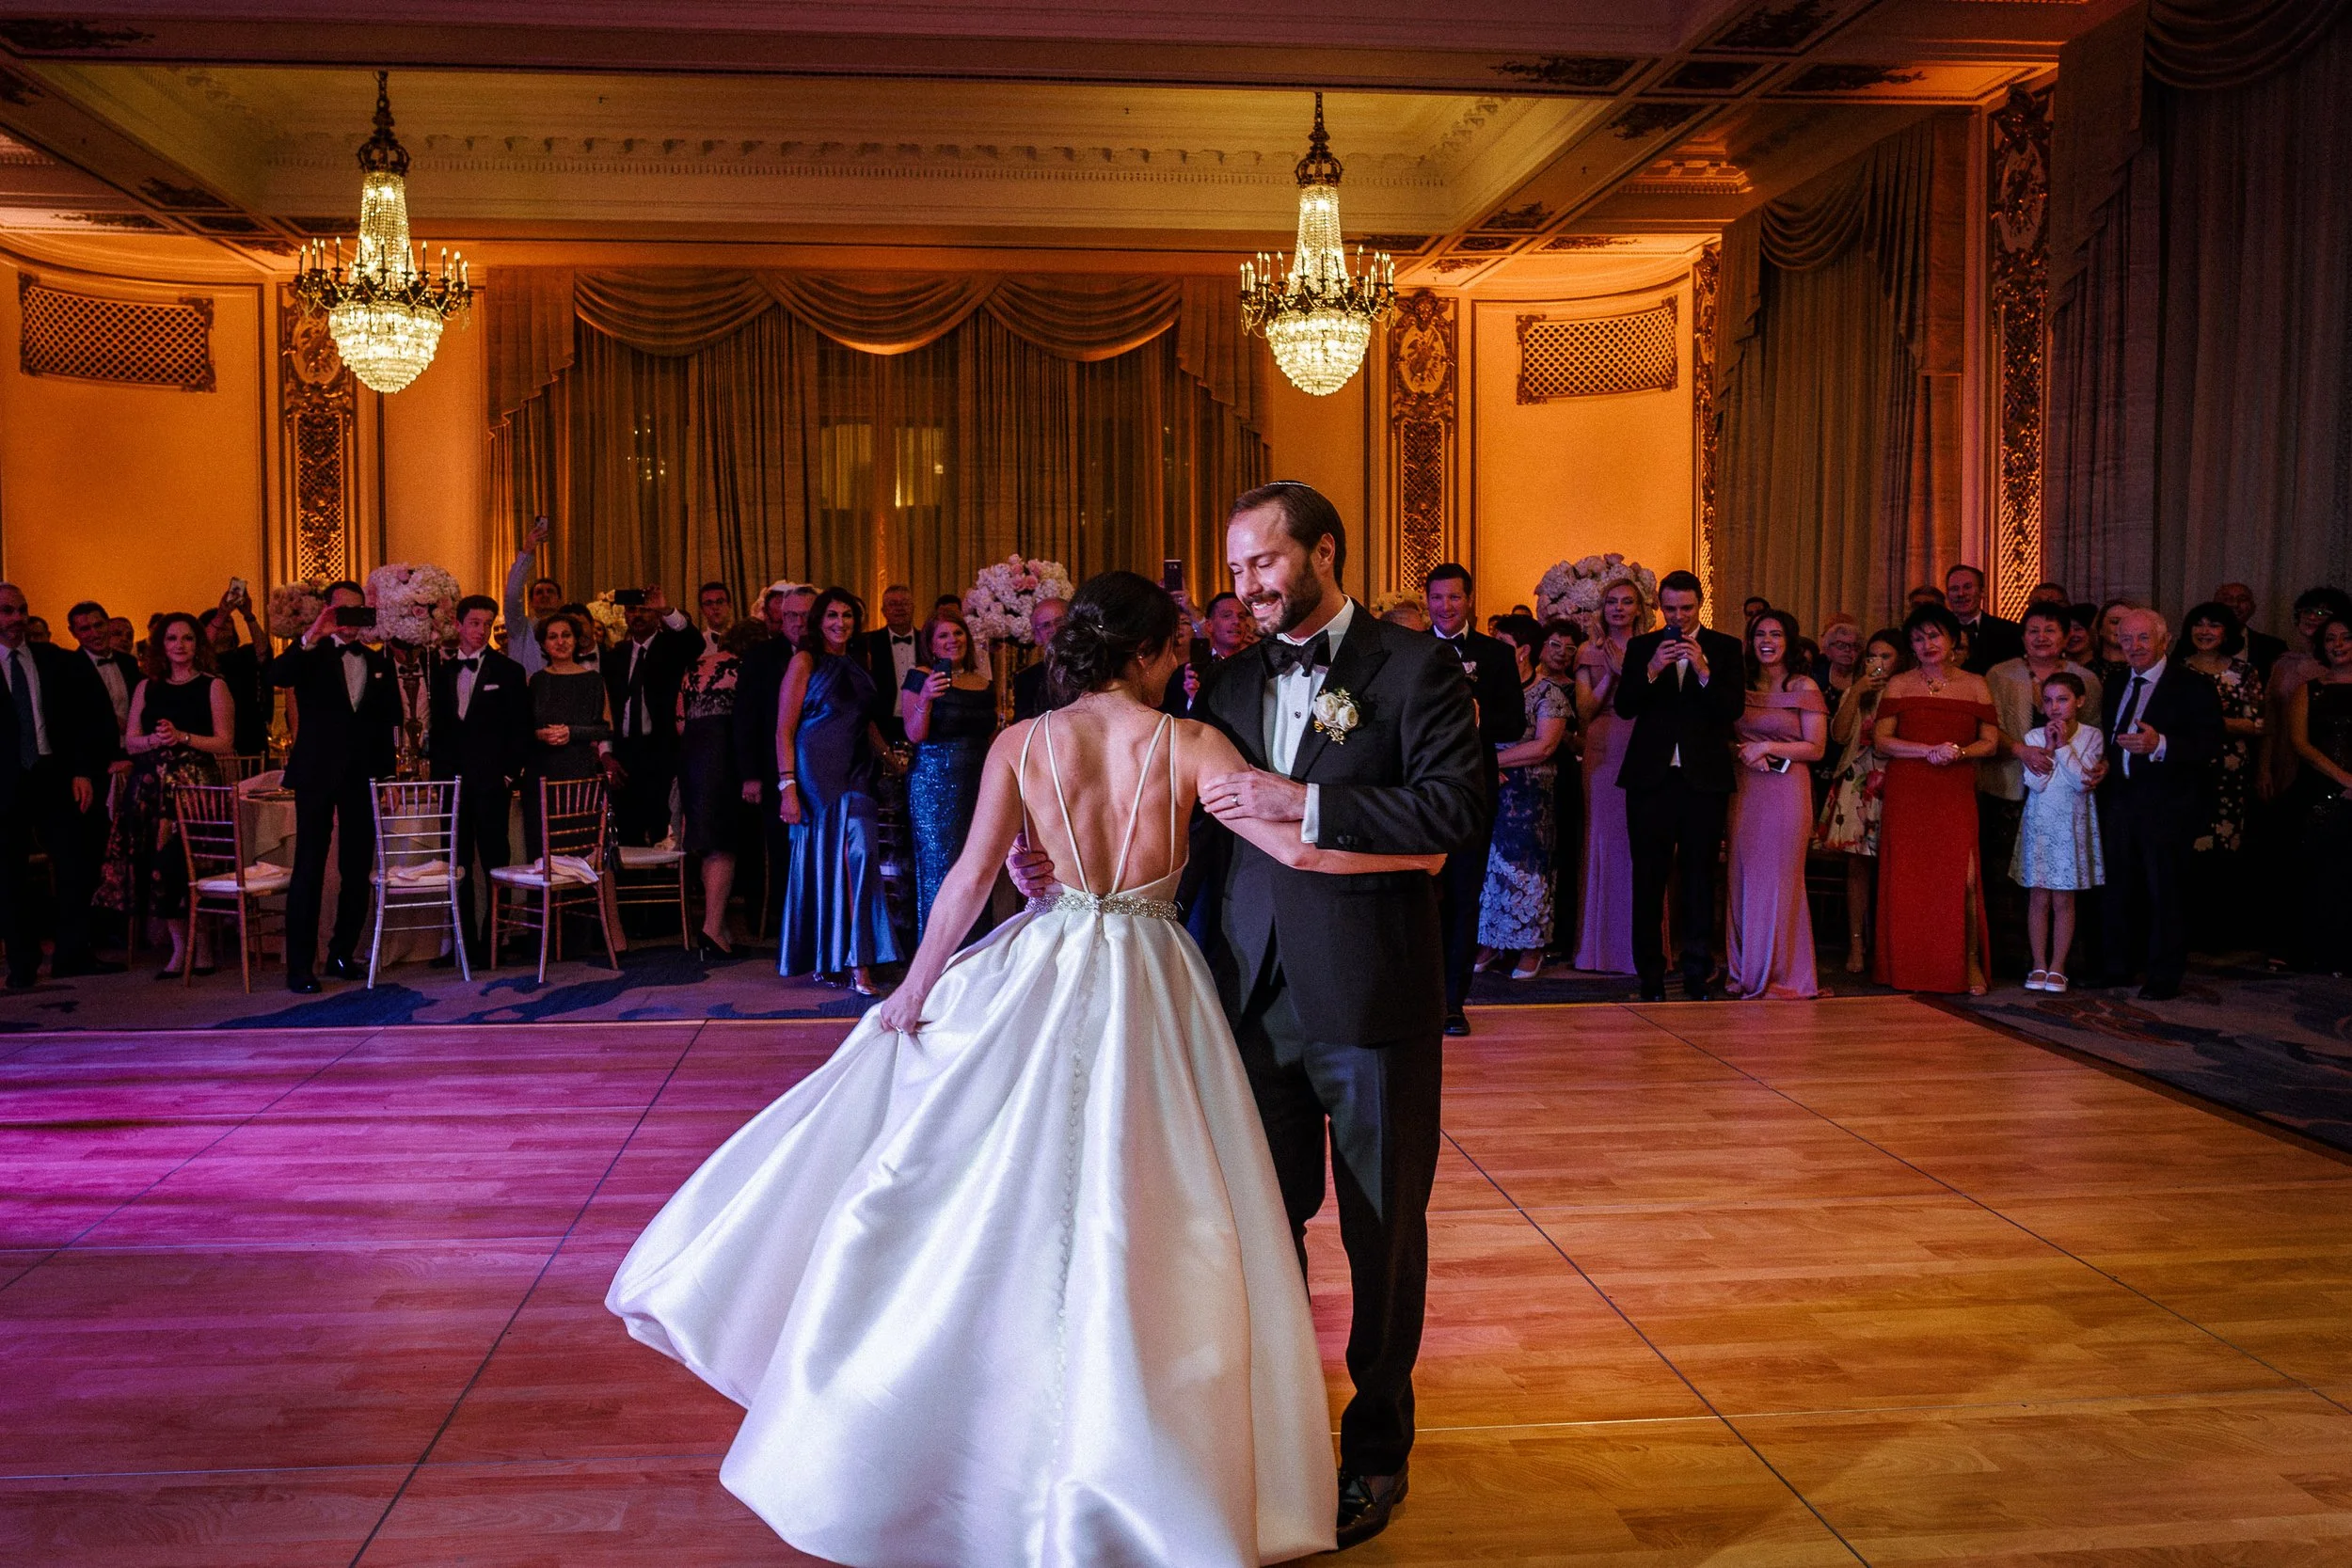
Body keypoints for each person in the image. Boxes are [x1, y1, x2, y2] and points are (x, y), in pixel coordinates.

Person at [611, 569, 1453, 1564]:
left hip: (1045, 957)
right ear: (1147, 654)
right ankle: (1139, 1430)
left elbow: (969, 878)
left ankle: (984, 1426)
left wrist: (912, 991)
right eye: (1173, 648)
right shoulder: (1187, 743)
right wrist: (1413, 854)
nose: (1182, 660)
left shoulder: (1022, 742)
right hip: (1151, 967)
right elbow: (1294, 848)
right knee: (1145, 1199)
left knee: (1004, 1186)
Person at [1614, 570, 1744, 1002]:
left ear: (1700, 604)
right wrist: (1651, 670)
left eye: (1686, 609)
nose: (1679, 617)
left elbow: (1731, 710)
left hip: (1703, 781)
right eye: (1670, 609)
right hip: (1650, 780)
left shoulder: (1725, 648)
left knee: (1699, 878)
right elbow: (1625, 707)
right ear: (1659, 608)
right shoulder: (1641, 647)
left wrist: (1704, 670)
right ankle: (1649, 977)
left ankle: (1696, 973)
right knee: (1648, 879)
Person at [268, 582, 403, 994]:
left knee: (357, 869)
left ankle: (343, 951)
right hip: (316, 774)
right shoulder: (310, 653)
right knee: (308, 867)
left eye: (359, 612)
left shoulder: (378, 661)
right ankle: (300, 966)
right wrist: (313, 634)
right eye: (342, 612)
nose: (351, 621)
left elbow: (386, 724)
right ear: (328, 611)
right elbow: (277, 674)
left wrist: (388, 778)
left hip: (362, 776)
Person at [91, 611, 233, 978]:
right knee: (154, 869)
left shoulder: (213, 685)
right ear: (161, 645)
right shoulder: (146, 687)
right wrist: (156, 740)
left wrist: (183, 736)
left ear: (198, 644)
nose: (179, 646)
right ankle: (180, 947)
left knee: (183, 866)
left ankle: (201, 947)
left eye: (187, 639)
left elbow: (224, 742)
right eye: (172, 639)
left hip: (195, 790)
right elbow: (132, 741)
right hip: (151, 789)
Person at [2094, 608, 2224, 1000]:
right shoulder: (2116, 683)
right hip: (2119, 801)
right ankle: (2116, 967)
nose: (2133, 647)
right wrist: (2104, 767)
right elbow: (2109, 738)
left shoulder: (2192, 686)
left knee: (2164, 892)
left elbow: (2209, 745)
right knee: (2117, 887)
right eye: (2126, 638)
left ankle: (2163, 976)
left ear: (2164, 640)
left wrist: (2160, 745)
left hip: (2168, 805)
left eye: (2142, 638)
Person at [774, 588, 899, 993]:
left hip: (859, 770)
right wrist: (788, 786)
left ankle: (856, 957)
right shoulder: (804, 660)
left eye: (847, 615)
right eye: (831, 615)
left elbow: (864, 721)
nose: (839, 623)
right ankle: (847, 962)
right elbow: (784, 729)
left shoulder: (858, 660)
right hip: (816, 775)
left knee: (861, 857)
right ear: (817, 620)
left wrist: (889, 757)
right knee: (832, 861)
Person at [1871, 605, 1999, 994]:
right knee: (1909, 879)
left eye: (1933, 635)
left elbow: (1991, 743)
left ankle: (1969, 963)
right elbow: (1882, 739)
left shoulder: (1976, 683)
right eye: (1917, 638)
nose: (1926, 644)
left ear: (1952, 638)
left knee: (1964, 879)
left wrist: (1958, 752)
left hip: (1954, 787)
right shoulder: (1899, 684)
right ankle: (1907, 966)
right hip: (1910, 788)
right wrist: (1926, 750)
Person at [0, 583, 119, 987]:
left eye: (21, 610)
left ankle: (72, 952)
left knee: (75, 862)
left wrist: (82, 770)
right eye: (6, 611)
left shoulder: (53, 660)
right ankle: (22, 962)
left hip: (54, 773)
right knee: (9, 872)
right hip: (6, 779)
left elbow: (86, 718)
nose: (16, 618)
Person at [1426, 562, 1524, 1033]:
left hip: (1472, 792)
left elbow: (1514, 725)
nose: (1445, 607)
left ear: (1469, 600)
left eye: (1454, 598)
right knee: (1421, 897)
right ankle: (1416, 998)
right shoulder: (1410, 650)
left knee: (1466, 896)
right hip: (1418, 793)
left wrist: (1479, 715)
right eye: (1437, 598)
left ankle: (1451, 1003)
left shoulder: (1495, 655)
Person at [1982, 604, 2105, 975]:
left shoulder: (2087, 678)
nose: (2041, 637)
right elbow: (1988, 726)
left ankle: (2060, 964)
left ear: (2067, 636)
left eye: (2050, 630)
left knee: (2063, 884)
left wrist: (2101, 764)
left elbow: (2096, 732)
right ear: (2023, 637)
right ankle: (2016, 960)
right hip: (2009, 780)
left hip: (2067, 796)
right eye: (2033, 630)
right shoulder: (2000, 674)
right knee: (2014, 875)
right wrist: (2021, 750)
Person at [1722, 610, 1828, 999]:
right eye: (1759, 634)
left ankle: (1780, 972)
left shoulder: (1804, 686)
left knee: (1780, 880)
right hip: (1745, 788)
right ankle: (1745, 970)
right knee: (1742, 876)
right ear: (1749, 641)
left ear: (1790, 641)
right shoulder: (1739, 685)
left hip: (1786, 790)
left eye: (1776, 634)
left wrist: (1768, 746)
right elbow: (1723, 738)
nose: (1767, 641)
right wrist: (1741, 750)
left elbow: (1816, 747)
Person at [426, 595, 529, 970]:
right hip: (452, 785)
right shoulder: (441, 672)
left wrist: (507, 774)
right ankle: (462, 943)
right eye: (474, 623)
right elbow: (438, 732)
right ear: (458, 624)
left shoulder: (509, 671)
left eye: (487, 623)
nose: (481, 630)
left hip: (491, 783)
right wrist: (440, 780)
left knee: (494, 862)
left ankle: (493, 941)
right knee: (457, 865)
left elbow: (520, 731)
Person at [1475, 613, 1569, 980]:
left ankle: (1531, 946)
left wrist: (1489, 760)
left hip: (1531, 793)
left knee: (1529, 869)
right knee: (1489, 867)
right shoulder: (1491, 689)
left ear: (1523, 651)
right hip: (1488, 788)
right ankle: (1491, 940)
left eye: (1502, 644)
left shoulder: (1549, 693)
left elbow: (1544, 746)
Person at [901, 607, 996, 947]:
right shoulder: (920, 675)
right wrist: (926, 696)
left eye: (957, 633)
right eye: (943, 635)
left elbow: (990, 736)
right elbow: (914, 734)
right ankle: (938, 961)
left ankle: (976, 956)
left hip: (980, 784)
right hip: (934, 785)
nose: (952, 640)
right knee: (940, 871)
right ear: (931, 643)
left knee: (978, 868)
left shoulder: (984, 681)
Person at [1817, 627, 1901, 974]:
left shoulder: (1906, 689)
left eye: (1886, 656)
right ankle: (1855, 944)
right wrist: (1857, 692)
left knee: (1895, 865)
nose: (1878, 663)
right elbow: (1837, 735)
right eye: (1873, 656)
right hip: (1858, 779)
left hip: (1894, 780)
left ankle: (1889, 942)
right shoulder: (1859, 688)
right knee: (1857, 867)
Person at [2179, 601, 2265, 940]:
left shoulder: (2245, 672)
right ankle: (2188, 930)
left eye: (2213, 625)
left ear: (2226, 632)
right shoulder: (2177, 669)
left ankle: (2220, 931)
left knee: (2226, 846)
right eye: (2198, 624)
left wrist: (2209, 724)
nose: (2205, 632)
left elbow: (2257, 723)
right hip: (2187, 769)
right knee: (2188, 844)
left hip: (2231, 772)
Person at [2013, 672, 2104, 992]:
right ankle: (2038, 963)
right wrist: (2049, 747)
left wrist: (2064, 745)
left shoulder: (2092, 736)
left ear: (2079, 701)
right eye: (2048, 700)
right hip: (2041, 824)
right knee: (2039, 897)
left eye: (2062, 700)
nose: (2054, 707)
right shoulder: (2035, 737)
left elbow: (2081, 782)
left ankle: (2058, 966)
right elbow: (2036, 783)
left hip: (2071, 824)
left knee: (2064, 899)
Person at [1573, 578, 1646, 974]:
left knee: (1640, 843)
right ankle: (1597, 950)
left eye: (1627, 602)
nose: (1618, 608)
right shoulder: (1589, 651)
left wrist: (1633, 667)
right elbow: (1584, 712)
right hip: (1602, 745)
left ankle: (1639, 949)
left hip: (1642, 742)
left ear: (1639, 608)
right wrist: (1613, 674)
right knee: (1601, 839)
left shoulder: (1653, 647)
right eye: (1611, 602)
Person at [733, 582, 815, 936]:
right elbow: (745, 718)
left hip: (822, 768)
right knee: (780, 851)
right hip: (772, 768)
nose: (797, 622)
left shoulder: (834, 653)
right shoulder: (760, 657)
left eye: (804, 615)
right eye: (790, 615)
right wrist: (750, 773)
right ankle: (785, 927)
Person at [675, 620, 758, 958]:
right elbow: (750, 720)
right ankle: (711, 928)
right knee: (723, 844)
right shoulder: (744, 668)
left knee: (708, 842)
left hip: (693, 754)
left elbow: (679, 720)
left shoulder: (695, 667)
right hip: (725, 755)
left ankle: (718, 926)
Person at [602, 585, 701, 850]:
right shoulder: (615, 656)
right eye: (633, 610)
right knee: (625, 830)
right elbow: (605, 706)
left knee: (662, 827)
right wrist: (606, 753)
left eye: (645, 610)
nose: (638, 615)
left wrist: (666, 610)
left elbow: (695, 642)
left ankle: (666, 889)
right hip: (624, 752)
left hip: (661, 750)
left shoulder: (671, 647)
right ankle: (629, 891)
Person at [2280, 612, 2352, 972]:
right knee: (2321, 871)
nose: (2337, 645)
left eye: (2345, 638)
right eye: (2330, 639)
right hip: (2320, 790)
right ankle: (2319, 952)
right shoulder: (2309, 689)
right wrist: (2345, 779)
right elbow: (2300, 743)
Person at [522, 610, 615, 856]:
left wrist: (571, 732)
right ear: (543, 644)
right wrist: (541, 735)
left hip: (578, 772)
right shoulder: (535, 681)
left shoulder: (594, 680)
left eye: (566, 635)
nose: (560, 641)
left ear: (576, 640)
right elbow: (523, 729)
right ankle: (546, 896)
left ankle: (584, 894)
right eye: (553, 637)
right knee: (543, 846)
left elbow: (605, 728)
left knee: (581, 844)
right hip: (542, 772)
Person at [1534, 618, 1584, 958]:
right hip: (1525, 774)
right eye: (1555, 645)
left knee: (1563, 851)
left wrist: (1559, 733)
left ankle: (1560, 936)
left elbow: (1583, 741)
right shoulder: (1525, 683)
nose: (1562, 653)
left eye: (1570, 648)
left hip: (1565, 773)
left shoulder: (1574, 688)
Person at [199, 585, 273, 758]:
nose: (226, 624)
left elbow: (263, 651)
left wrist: (248, 615)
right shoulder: (203, 661)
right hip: (212, 729)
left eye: (229, 621)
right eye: (219, 622)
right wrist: (222, 613)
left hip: (249, 725)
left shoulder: (244, 654)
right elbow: (200, 651)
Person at [854, 582, 921, 742]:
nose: (899, 608)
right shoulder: (867, 642)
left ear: (913, 608)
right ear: (883, 611)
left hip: (922, 723)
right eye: (893, 604)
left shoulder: (928, 641)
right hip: (881, 726)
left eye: (904, 603)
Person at [502, 515, 566, 675]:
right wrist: (526, 553)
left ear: (559, 600)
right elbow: (511, 595)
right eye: (539, 592)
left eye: (550, 592)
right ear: (530, 602)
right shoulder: (520, 630)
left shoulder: (568, 632)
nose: (545, 595)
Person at [1946, 564, 2022, 674]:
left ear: (1982, 591)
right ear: (1947, 595)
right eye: (1954, 589)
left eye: (1967, 587)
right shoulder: (1937, 634)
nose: (1961, 594)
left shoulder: (2010, 632)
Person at [1009, 595, 1071, 722]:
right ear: (1037, 637)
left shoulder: (1091, 667)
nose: (1054, 629)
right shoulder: (1026, 680)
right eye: (1045, 625)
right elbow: (1023, 726)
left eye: (1060, 621)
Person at [2214, 581, 2286, 679]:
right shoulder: (2193, 643)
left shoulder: (2273, 647)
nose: (2235, 604)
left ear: (2253, 608)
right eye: (2227, 599)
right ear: (2213, 606)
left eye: (2242, 599)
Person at [691, 580, 734, 653]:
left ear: (730, 605)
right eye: (708, 603)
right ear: (701, 609)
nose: (715, 607)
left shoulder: (745, 641)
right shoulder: (695, 646)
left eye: (720, 602)